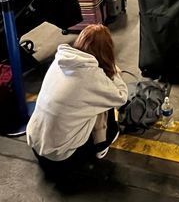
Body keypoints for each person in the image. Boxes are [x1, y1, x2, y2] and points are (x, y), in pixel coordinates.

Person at [27, 24, 128, 175]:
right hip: (62, 160)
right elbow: (121, 97)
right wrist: (112, 70)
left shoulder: (61, 60)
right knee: (105, 102)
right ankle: (102, 145)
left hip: (37, 146)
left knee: (87, 101)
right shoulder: (91, 76)